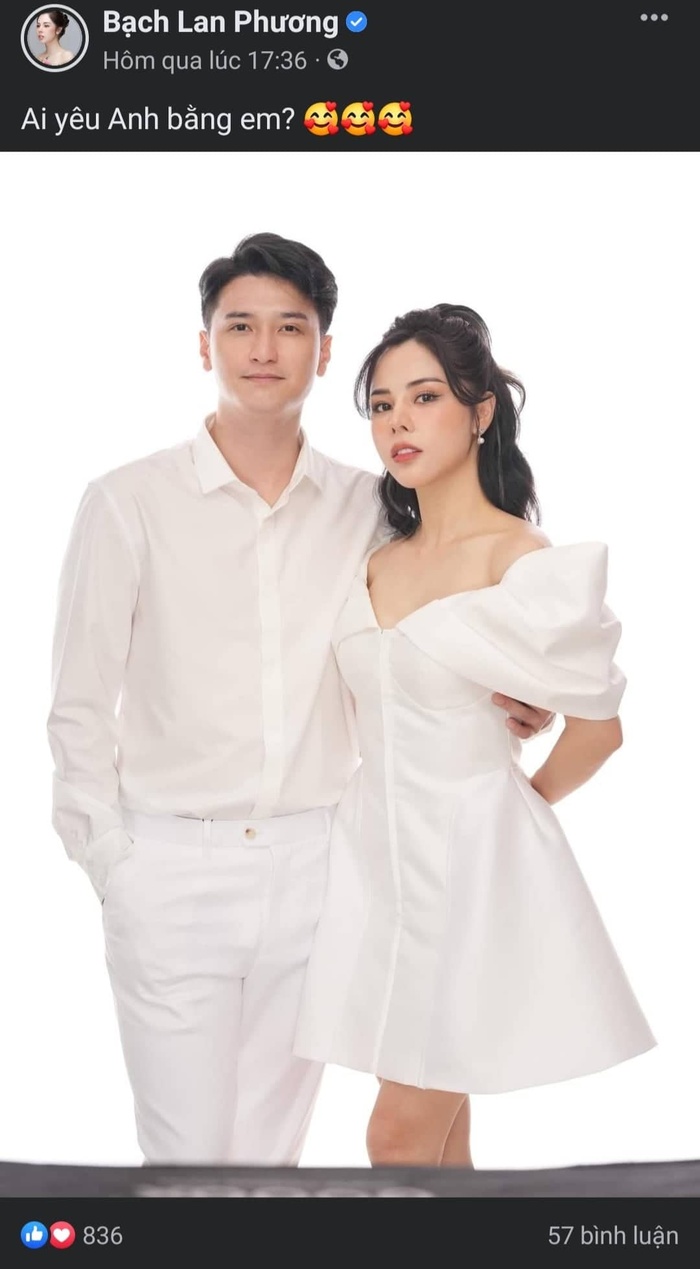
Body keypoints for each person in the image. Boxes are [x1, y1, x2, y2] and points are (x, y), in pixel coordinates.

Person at [47, 236, 552, 1167]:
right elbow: (78, 702)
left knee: (269, 1162)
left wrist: (521, 687)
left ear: (323, 352)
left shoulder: (371, 507)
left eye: (291, 327)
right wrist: (113, 862)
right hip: (171, 866)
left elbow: (443, 613)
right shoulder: (128, 502)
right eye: (240, 326)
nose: (264, 348)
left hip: (321, 866)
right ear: (206, 344)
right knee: (189, 1164)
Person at [293, 302, 656, 1167]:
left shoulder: (517, 557)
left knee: (397, 1132)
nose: (399, 423)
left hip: (467, 869)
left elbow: (599, 728)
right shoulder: (375, 557)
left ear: (481, 411)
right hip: (375, 863)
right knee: (441, 1139)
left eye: (425, 398)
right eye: (382, 405)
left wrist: (513, 807)